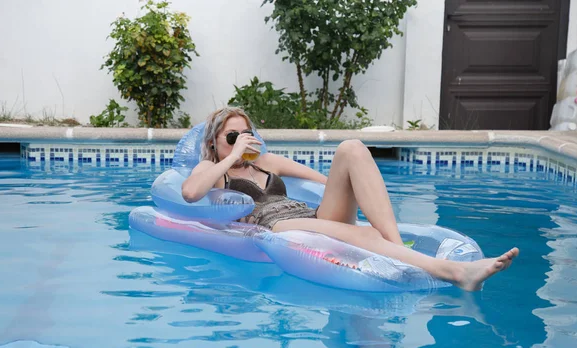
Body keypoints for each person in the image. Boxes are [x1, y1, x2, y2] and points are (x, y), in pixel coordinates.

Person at [182, 107, 519, 291]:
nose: (242, 140)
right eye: (232, 136)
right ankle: (455, 272)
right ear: (214, 142)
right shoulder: (211, 167)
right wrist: (231, 156)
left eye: (247, 134)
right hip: (275, 225)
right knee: (363, 234)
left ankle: (399, 250)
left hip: (309, 215)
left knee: (352, 148)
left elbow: (325, 180)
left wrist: (351, 186)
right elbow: (191, 193)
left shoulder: (267, 162)